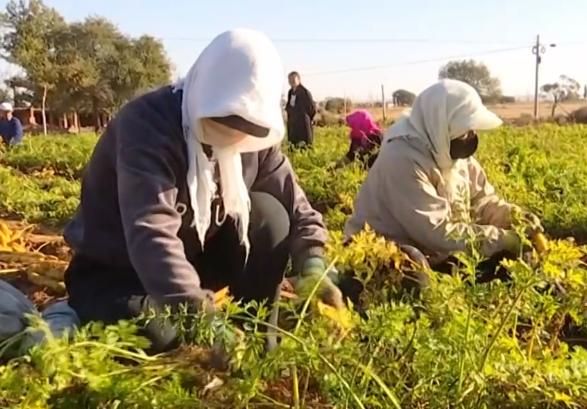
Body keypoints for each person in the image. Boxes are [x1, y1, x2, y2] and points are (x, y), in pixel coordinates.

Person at [62, 28, 342, 354]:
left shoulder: (252, 135)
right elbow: (151, 235)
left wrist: (313, 264)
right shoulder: (147, 127)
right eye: (225, 121)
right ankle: (196, 323)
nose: (235, 137)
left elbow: (296, 206)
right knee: (160, 335)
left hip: (194, 260)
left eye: (247, 127)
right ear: (207, 95)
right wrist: (199, 315)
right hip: (117, 274)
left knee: (270, 217)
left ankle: (255, 342)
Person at [343, 79, 542, 286]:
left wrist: (512, 216)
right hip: (376, 252)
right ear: (442, 124)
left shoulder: (454, 157)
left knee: (509, 262)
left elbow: (482, 201)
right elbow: (437, 231)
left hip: (434, 250)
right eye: (464, 130)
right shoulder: (402, 159)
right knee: (414, 270)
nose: (470, 137)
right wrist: (503, 238)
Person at [285, 72, 316, 148]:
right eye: (290, 79)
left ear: (298, 79)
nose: (291, 81)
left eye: (293, 79)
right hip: (293, 122)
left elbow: (312, 108)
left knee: (304, 144)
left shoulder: (304, 92)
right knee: (293, 144)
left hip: (303, 122)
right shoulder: (290, 92)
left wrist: (309, 119)